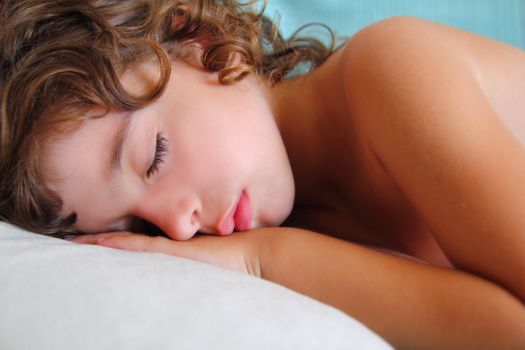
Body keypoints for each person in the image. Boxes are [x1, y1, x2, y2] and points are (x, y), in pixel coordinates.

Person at [1, 0, 524, 347]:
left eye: (154, 157)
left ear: (198, 39)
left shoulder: (391, 70)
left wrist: (264, 261)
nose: (180, 229)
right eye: (140, 226)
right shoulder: (298, 218)